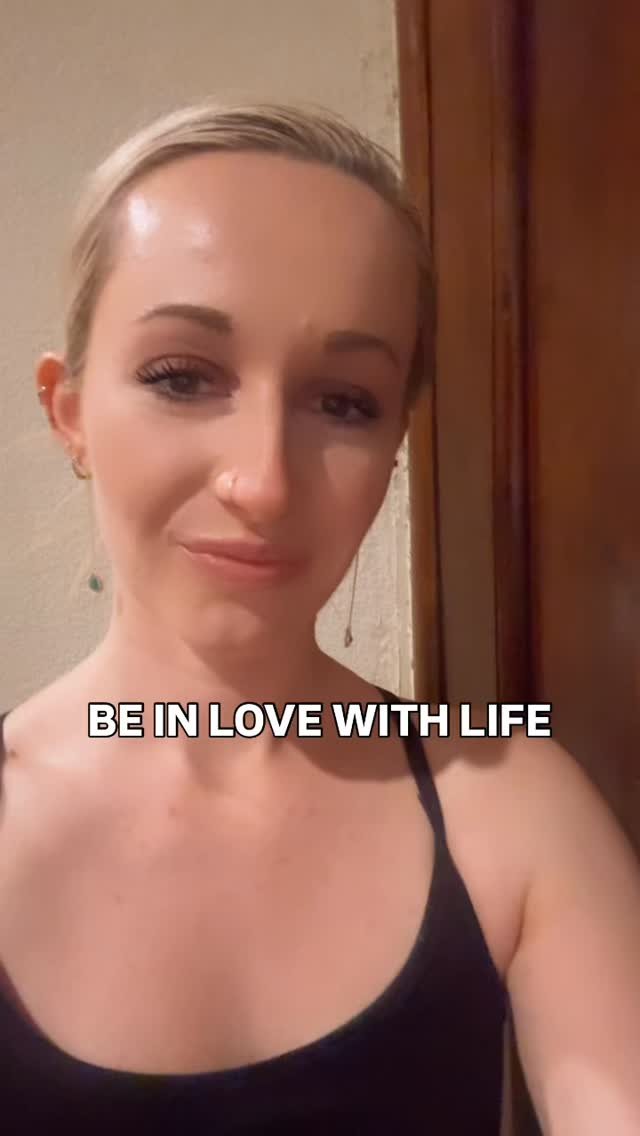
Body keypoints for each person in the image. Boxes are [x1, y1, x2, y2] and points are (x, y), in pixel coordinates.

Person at [1, 101, 639, 1135]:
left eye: (343, 401)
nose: (262, 482)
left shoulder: (508, 805)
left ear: (393, 447)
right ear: (67, 410)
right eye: (181, 377)